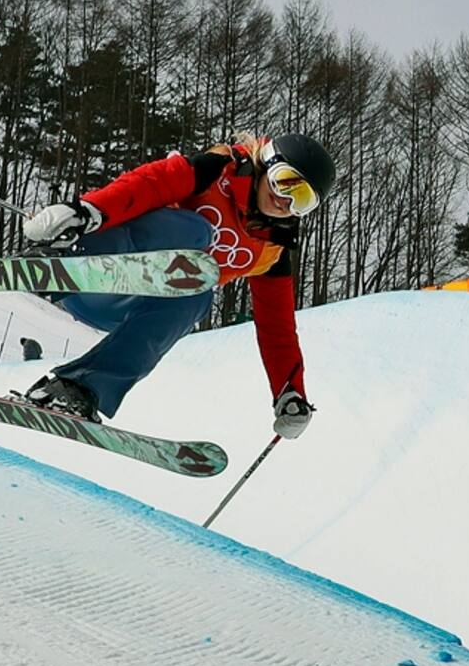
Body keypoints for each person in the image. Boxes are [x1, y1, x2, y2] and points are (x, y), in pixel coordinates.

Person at [20, 133, 335, 440]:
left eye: (302, 200)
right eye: (285, 182)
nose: (286, 201)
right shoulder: (217, 170)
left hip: (128, 309)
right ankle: (65, 265)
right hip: (95, 269)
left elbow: (278, 329)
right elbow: (151, 182)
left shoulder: (270, 251)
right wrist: (86, 211)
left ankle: (77, 388)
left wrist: (290, 391)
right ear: (266, 163)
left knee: (198, 292)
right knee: (194, 233)